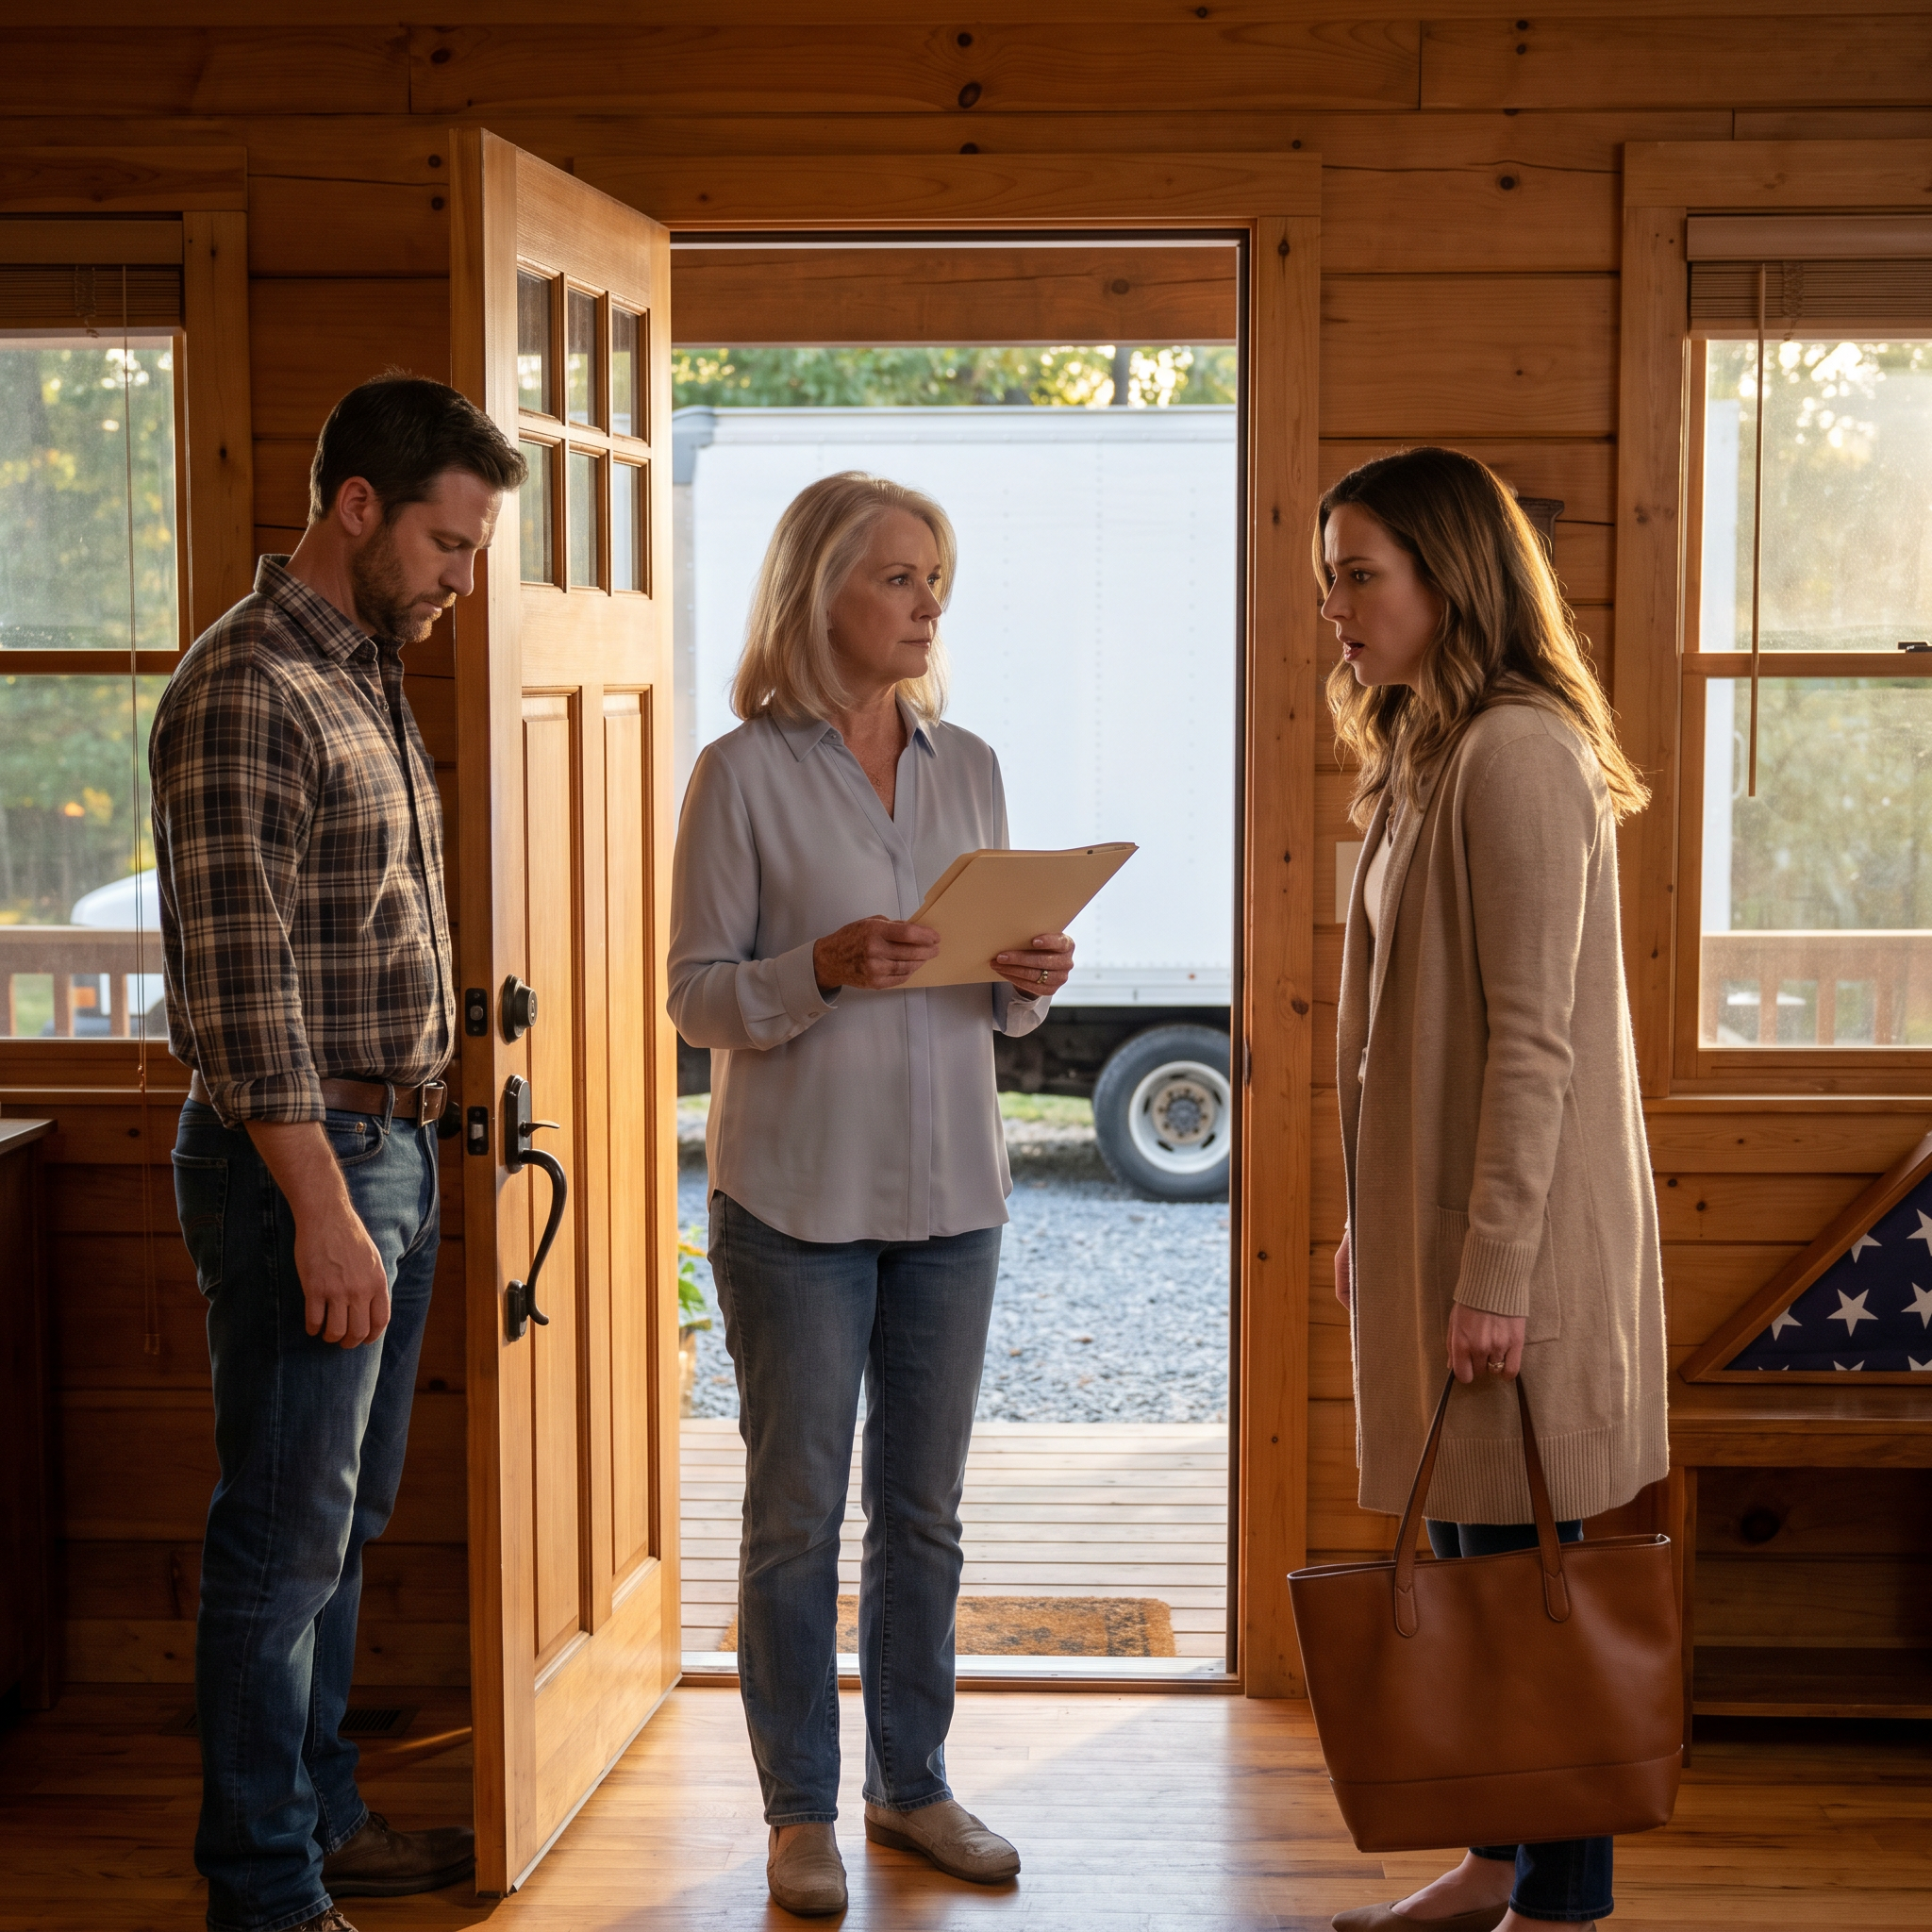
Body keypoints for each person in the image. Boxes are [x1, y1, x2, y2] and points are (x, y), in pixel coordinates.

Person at [668, 472, 1074, 1917]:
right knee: (793, 1516)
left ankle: (911, 1788)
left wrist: (1030, 980)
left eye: (935, 577)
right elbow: (696, 1002)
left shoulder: (969, 764)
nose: (927, 604)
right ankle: (797, 1815)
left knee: (926, 1515)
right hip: (793, 1208)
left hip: (956, 1195)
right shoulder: (740, 774)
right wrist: (817, 969)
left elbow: (996, 1006)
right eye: (898, 577)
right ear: (818, 590)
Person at [153, 375, 526, 1932]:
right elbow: (241, 999)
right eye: (448, 540)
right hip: (302, 1161)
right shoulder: (249, 687)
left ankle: (314, 1819)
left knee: (341, 1525)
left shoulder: (360, 667)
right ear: (358, 508)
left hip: (390, 1145)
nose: (462, 575)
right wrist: (323, 1209)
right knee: (283, 1530)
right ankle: (264, 1890)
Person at [1320, 448, 1668, 1932]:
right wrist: (1367, 1223)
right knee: (1469, 1544)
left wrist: (1495, 1274)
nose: (1333, 605)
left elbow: (1535, 1039)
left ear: (1448, 579)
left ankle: (1561, 1903)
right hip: (1439, 1226)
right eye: (1329, 575)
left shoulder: (1518, 751)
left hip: (1507, 1239)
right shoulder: (1425, 746)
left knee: (1529, 1572)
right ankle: (1498, 1858)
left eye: (1358, 574)